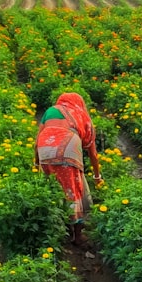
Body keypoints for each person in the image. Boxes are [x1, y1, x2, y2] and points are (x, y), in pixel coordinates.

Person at [34, 92, 102, 246]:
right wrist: (97, 177)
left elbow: (37, 141)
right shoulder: (81, 115)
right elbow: (93, 154)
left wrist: (37, 164)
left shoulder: (50, 111)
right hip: (68, 145)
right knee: (73, 188)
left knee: (52, 187)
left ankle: (56, 228)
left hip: (45, 145)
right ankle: (77, 235)